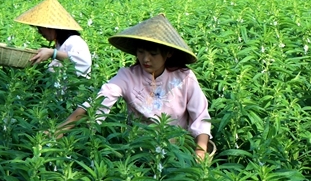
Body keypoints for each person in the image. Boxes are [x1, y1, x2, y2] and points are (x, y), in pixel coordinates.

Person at [53, 14, 212, 160]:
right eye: (141, 52)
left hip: (177, 153)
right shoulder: (128, 76)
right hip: (138, 153)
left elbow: (201, 115)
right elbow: (99, 99)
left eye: (153, 54)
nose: (145, 59)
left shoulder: (184, 77)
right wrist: (60, 129)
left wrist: (200, 150)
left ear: (168, 53)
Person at [14, 0, 91, 77]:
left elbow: (84, 62)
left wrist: (52, 53)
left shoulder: (75, 41)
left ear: (51, 27)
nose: (40, 32)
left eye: (40, 28)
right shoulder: (59, 44)